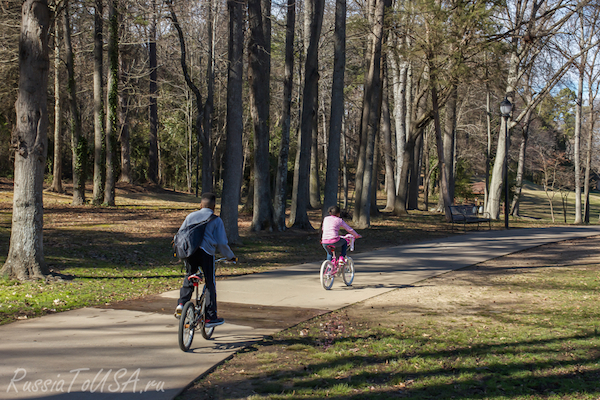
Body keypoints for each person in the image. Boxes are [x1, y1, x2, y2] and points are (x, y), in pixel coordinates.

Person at [174, 193, 236, 327]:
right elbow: (222, 242)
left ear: (201, 205)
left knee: (190, 276)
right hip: (206, 253)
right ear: (214, 206)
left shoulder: (190, 216)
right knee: (210, 283)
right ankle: (210, 317)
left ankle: (181, 303)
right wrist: (230, 256)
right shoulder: (216, 220)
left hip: (189, 252)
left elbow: (180, 234)